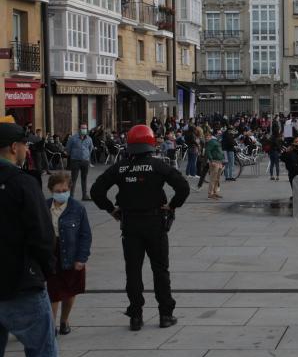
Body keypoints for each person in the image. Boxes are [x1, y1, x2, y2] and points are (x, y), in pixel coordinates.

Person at [90, 125, 190, 331]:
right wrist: (172, 205)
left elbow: (96, 190)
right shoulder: (157, 165)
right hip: (155, 223)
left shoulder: (121, 167)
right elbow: (183, 187)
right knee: (160, 270)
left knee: (133, 270)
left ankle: (136, 316)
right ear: (150, 143)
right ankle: (165, 314)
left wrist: (111, 210)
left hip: (130, 224)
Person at [0, 120, 61, 357]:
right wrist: (47, 270)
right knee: (42, 356)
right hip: (21, 283)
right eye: (25, 145)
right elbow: (43, 234)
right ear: (14, 148)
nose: (27, 149)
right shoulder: (22, 183)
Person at [46, 171, 92, 336]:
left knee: (70, 290)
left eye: (64, 190)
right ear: (51, 190)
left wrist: (82, 257)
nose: (61, 194)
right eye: (57, 191)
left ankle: (64, 320)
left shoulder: (77, 208)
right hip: (52, 254)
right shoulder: (44, 206)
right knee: (53, 292)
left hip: (72, 254)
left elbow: (85, 235)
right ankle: (51, 327)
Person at [66, 123, 94, 201]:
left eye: (85, 128)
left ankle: (84, 196)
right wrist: (73, 155)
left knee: (84, 178)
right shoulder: (73, 138)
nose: (84, 130)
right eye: (83, 128)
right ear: (79, 129)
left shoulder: (89, 139)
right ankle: (71, 196)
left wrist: (86, 156)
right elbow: (68, 148)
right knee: (73, 179)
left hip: (85, 161)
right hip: (75, 161)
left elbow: (90, 148)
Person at [204, 131, 224, 199]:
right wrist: (211, 160)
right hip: (215, 161)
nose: (206, 138)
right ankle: (211, 193)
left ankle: (215, 192)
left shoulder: (214, 141)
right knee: (213, 178)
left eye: (207, 137)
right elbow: (208, 151)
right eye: (205, 137)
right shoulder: (211, 142)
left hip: (218, 161)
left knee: (217, 178)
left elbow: (219, 150)